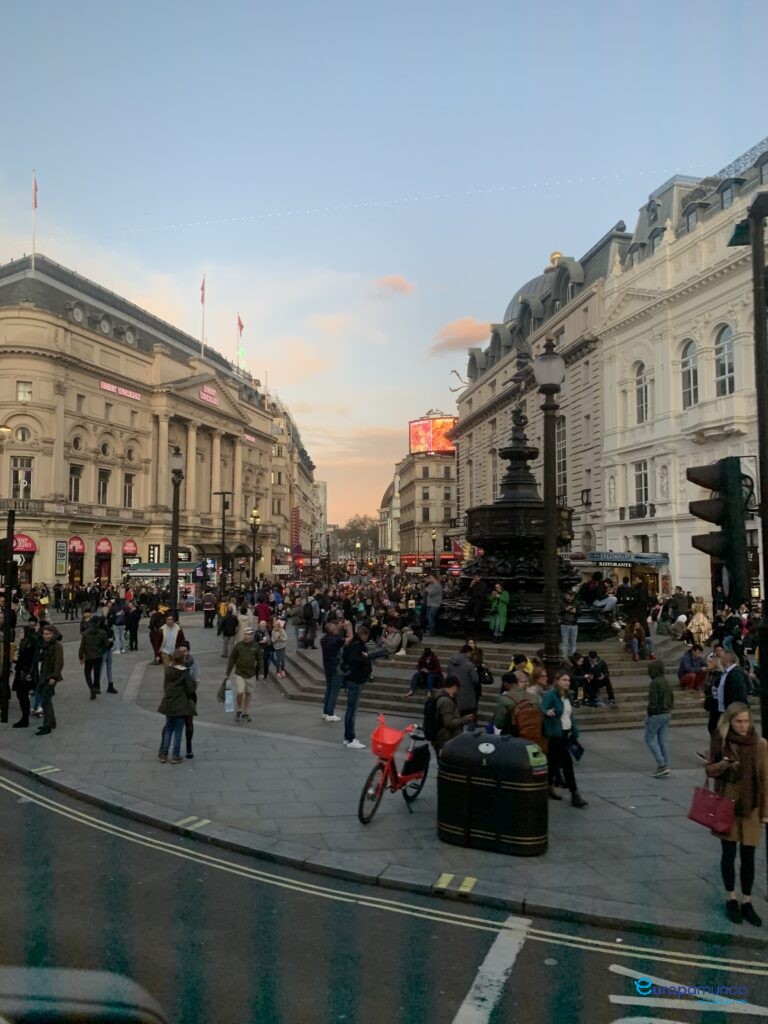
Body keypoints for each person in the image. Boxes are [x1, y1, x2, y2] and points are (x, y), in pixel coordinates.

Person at [705, 703, 768, 926]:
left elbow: (764, 779)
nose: (743, 725)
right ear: (730, 721)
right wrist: (724, 764)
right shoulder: (721, 741)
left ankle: (747, 901)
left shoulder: (760, 744)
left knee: (749, 857)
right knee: (729, 854)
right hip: (727, 804)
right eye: (738, 721)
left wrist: (765, 811)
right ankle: (731, 897)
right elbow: (709, 769)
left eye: (746, 721)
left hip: (750, 806)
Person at [540, 672, 588, 807]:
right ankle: (575, 794)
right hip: (555, 733)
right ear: (557, 681)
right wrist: (547, 712)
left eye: (568, 680)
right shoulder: (550, 695)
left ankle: (548, 787)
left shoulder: (568, 695)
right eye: (564, 680)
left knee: (552, 761)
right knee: (567, 762)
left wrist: (575, 731)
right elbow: (542, 707)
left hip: (565, 732)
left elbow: (570, 715)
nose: (567, 682)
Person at [158, 649, 196, 763]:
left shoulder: (168, 671)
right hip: (180, 704)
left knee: (169, 728)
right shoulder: (184, 672)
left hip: (169, 703)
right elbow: (190, 689)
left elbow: (165, 686)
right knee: (178, 730)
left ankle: (164, 754)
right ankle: (176, 755)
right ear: (182, 659)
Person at [340, 625, 371, 749]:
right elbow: (354, 659)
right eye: (366, 635)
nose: (367, 638)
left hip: (352, 679)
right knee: (352, 710)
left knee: (350, 710)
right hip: (356, 679)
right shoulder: (358, 645)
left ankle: (348, 737)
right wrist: (365, 658)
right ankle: (351, 737)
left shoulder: (353, 644)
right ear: (363, 634)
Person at [224, 628, 263, 723]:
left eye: (250, 634)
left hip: (251, 674)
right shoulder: (239, 646)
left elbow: (260, 659)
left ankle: (246, 712)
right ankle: (239, 710)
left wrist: (261, 672)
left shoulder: (256, 646)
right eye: (247, 634)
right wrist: (227, 673)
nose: (248, 636)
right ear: (244, 635)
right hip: (240, 673)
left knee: (248, 693)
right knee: (240, 691)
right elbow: (232, 659)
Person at [644, 659, 674, 777]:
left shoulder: (655, 683)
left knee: (649, 738)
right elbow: (671, 697)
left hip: (657, 713)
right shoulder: (666, 681)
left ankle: (661, 764)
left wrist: (650, 713)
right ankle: (665, 763)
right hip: (666, 712)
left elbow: (653, 701)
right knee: (663, 740)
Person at [433, 675, 474, 756]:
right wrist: (464, 720)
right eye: (458, 689)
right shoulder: (446, 701)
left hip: (441, 737)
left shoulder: (439, 695)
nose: (458, 692)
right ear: (454, 687)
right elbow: (448, 722)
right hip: (446, 739)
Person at [35, 624, 64, 736]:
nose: (46, 636)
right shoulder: (46, 645)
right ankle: (51, 722)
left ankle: (47, 725)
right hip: (43, 675)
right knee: (45, 700)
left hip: (50, 677)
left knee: (45, 700)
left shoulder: (57, 646)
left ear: (54, 634)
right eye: (45, 634)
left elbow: (59, 662)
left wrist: (54, 677)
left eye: (49, 634)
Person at [446, 644, 480, 723]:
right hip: (468, 697)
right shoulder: (469, 665)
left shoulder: (451, 663)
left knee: (458, 720)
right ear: (468, 652)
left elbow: (448, 677)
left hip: (454, 696)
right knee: (471, 718)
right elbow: (475, 680)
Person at [320, 622, 346, 722]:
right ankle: (330, 713)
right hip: (335, 667)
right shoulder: (336, 641)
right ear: (332, 631)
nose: (337, 629)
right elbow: (348, 639)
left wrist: (338, 627)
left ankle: (325, 712)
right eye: (335, 628)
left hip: (327, 667)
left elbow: (337, 636)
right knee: (334, 690)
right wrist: (349, 628)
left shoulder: (323, 639)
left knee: (329, 689)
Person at [78, 615, 108, 699]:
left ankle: (91, 688)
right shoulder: (102, 632)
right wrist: (102, 651)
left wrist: (80, 656)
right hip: (98, 656)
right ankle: (96, 687)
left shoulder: (86, 633)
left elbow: (82, 646)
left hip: (88, 656)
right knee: (97, 672)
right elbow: (106, 645)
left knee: (87, 673)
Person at [178, 642, 199, 759]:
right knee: (172, 724)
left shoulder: (193, 663)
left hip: (189, 695)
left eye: (185, 651)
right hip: (177, 696)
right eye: (181, 651)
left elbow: (196, 680)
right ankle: (165, 748)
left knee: (189, 722)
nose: (183, 654)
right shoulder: (175, 663)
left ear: (188, 651)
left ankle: (189, 747)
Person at [559, 591, 579, 658]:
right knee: (565, 643)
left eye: (572, 597)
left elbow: (580, 613)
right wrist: (565, 609)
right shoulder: (561, 602)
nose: (570, 599)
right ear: (566, 595)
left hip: (574, 624)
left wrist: (575, 612)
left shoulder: (576, 603)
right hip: (564, 624)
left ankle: (572, 657)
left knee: (573, 643)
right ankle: (564, 657)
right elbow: (558, 612)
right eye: (569, 597)